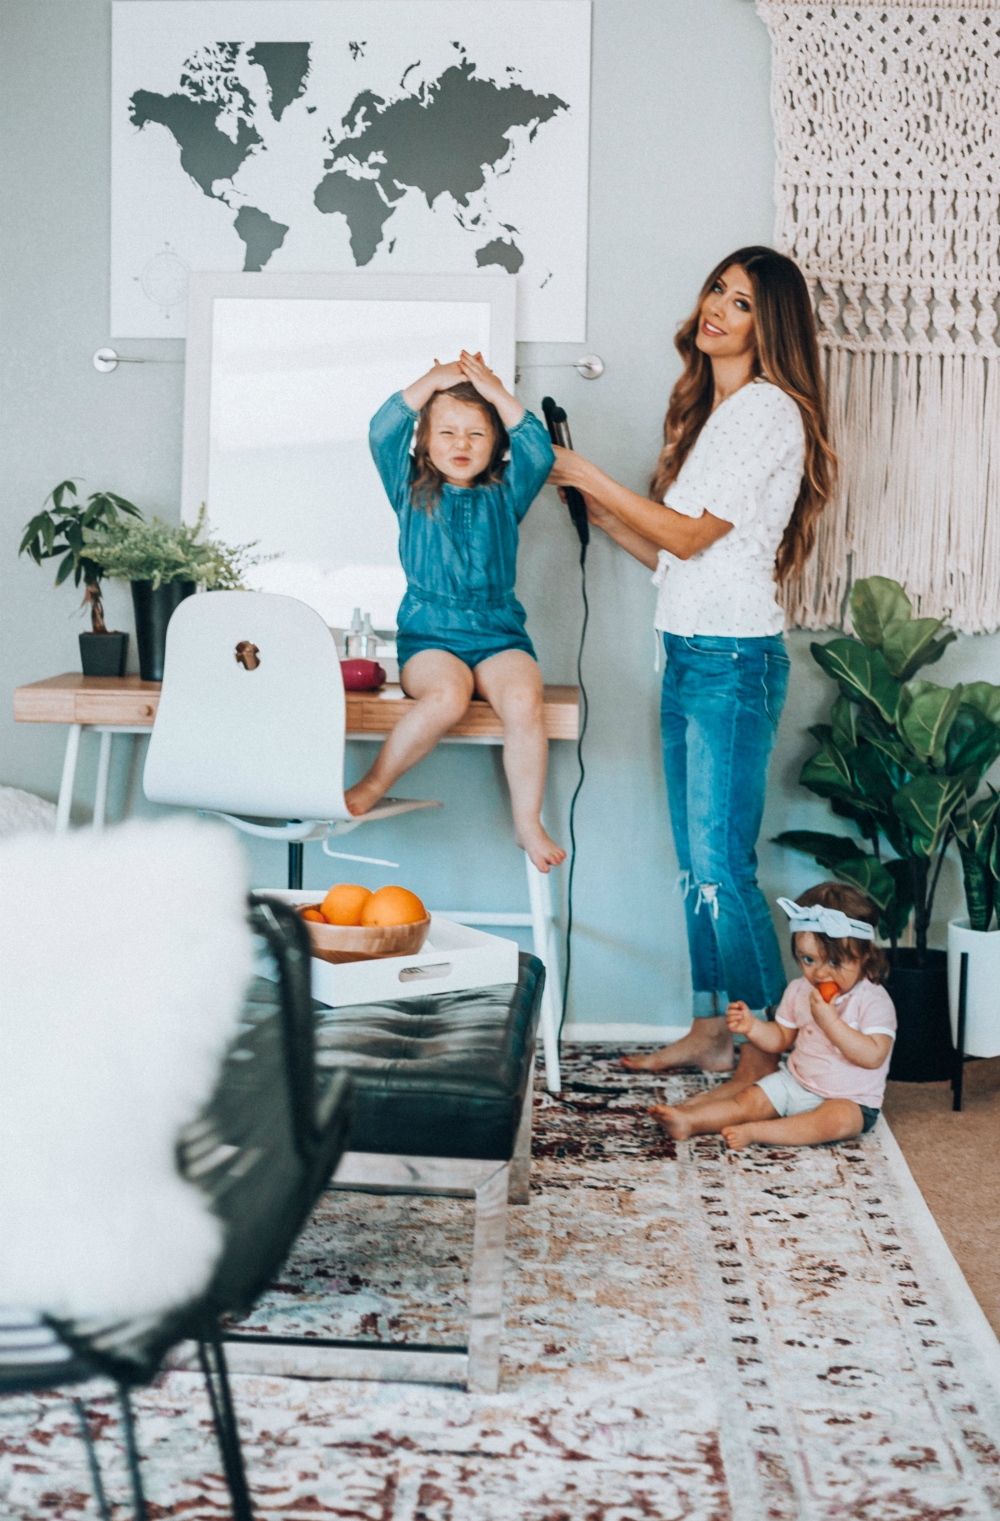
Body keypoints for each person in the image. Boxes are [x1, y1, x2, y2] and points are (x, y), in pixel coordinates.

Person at [548, 245, 836, 1082]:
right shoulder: (719, 412)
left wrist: (585, 471)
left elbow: (691, 535)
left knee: (724, 868)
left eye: (741, 301)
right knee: (697, 870)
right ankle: (714, 1028)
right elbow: (677, 558)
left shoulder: (768, 412)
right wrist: (598, 513)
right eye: (717, 289)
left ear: (768, 323)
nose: (717, 307)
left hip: (731, 661)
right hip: (687, 651)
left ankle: (764, 1053)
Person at [347, 350, 566, 873]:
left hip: (498, 633)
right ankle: (375, 782)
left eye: (476, 434)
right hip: (430, 635)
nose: (461, 445)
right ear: (424, 441)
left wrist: (492, 388)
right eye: (446, 433)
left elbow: (537, 447)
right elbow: (382, 430)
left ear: (496, 446)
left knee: (522, 699)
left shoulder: (508, 491)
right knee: (446, 697)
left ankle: (527, 823)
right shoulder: (408, 487)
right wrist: (435, 379)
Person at [647, 883, 896, 1149]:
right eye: (809, 960)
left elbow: (873, 1057)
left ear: (865, 953)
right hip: (796, 1083)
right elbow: (780, 1039)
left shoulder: (873, 1000)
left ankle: (758, 1132)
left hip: (851, 1100)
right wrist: (752, 1026)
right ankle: (689, 1121)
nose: (820, 974)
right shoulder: (800, 990)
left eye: (834, 962)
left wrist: (830, 1022)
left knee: (835, 1122)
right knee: (747, 1100)